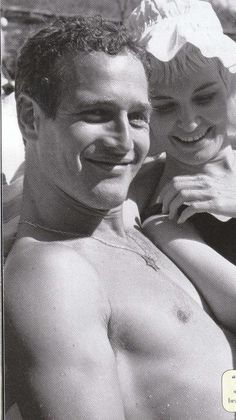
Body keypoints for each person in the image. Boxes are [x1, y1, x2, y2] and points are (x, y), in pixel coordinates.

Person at [4, 15, 235, 420]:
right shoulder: (54, 272)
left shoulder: (138, 226)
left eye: (139, 116)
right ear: (29, 118)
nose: (125, 142)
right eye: (96, 114)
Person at [126, 0, 236, 332]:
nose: (188, 122)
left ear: (230, 85)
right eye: (165, 106)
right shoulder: (162, 213)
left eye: (205, 98)